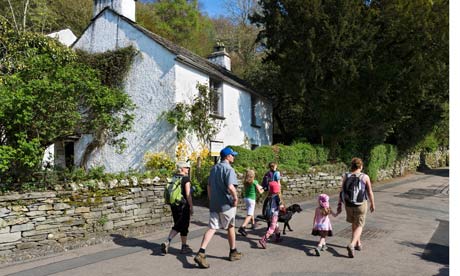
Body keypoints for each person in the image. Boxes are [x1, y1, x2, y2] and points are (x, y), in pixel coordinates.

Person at [193, 147, 242, 269]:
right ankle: (233, 252)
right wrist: (235, 198)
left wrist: (211, 199)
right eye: (232, 155)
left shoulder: (214, 168)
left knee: (212, 227)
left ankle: (201, 252)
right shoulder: (229, 169)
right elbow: (231, 187)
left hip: (214, 204)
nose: (234, 157)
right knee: (230, 226)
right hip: (226, 204)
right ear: (227, 157)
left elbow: (208, 186)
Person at [337, 157, 376, 258]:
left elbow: (341, 191)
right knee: (360, 225)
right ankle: (352, 244)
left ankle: (358, 243)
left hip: (348, 204)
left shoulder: (346, 175)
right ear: (361, 166)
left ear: (352, 166)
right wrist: (372, 203)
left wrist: (339, 204)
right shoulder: (365, 177)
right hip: (361, 204)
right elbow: (369, 191)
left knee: (355, 222)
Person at [161, 161, 194, 255]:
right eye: (186, 167)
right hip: (183, 206)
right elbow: (188, 194)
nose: (188, 169)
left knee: (179, 224)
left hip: (174, 205)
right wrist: (191, 206)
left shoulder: (174, 177)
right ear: (181, 168)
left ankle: (177, 244)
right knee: (182, 225)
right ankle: (173, 243)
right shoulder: (186, 179)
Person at [259, 180, 285, 249]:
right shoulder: (277, 197)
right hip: (274, 214)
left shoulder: (269, 197)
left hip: (269, 214)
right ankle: (264, 239)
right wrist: (284, 209)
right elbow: (280, 207)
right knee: (272, 228)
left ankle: (277, 237)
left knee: (276, 226)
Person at [238, 169, 264, 236]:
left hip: (246, 198)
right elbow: (260, 191)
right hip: (252, 199)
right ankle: (242, 227)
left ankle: (253, 224)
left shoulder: (245, 182)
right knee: (249, 214)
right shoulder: (254, 181)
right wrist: (264, 189)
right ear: (253, 175)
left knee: (250, 212)